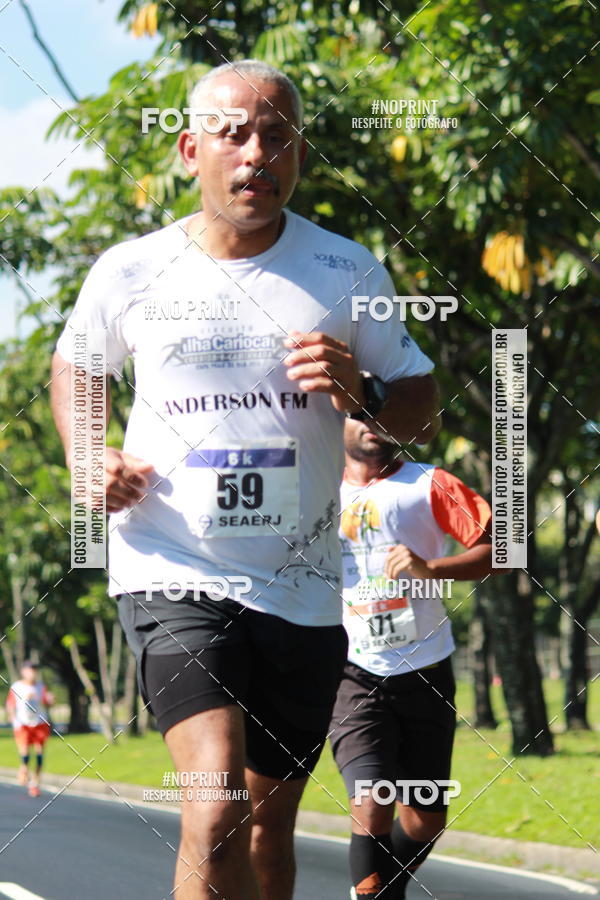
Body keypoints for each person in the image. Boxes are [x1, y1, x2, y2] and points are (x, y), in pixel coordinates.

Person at [50, 59, 440, 899]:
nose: (255, 152)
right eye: (233, 134)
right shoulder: (130, 271)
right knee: (216, 802)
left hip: (301, 586)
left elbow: (418, 403)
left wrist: (363, 391)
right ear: (191, 150)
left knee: (267, 829)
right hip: (172, 564)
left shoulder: (345, 272)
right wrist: (88, 455)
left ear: (299, 155)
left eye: (278, 135)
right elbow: (77, 366)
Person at [330, 419, 494, 899]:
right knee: (372, 799)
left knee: (423, 819)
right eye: (359, 412)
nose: (373, 423)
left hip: (426, 668)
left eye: (383, 412)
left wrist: (431, 568)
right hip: (351, 670)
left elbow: (502, 549)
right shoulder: (314, 487)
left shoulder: (428, 483)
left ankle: (381, 892)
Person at [6, 660, 54, 798]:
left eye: (34, 670)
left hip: (39, 723)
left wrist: (50, 700)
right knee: (25, 752)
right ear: (23, 672)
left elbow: (46, 702)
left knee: (39, 755)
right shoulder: (17, 686)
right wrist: (11, 716)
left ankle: (34, 784)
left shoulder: (41, 687)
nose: (32, 673)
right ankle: (23, 769)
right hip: (22, 724)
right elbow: (10, 704)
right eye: (29, 670)